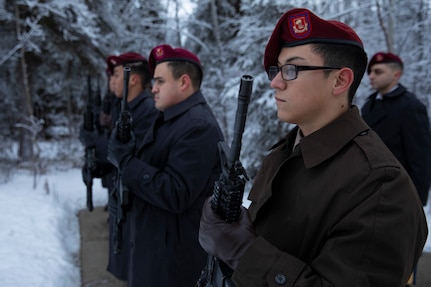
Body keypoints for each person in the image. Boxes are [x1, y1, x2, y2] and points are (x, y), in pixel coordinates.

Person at [198, 8, 428, 287]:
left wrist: (243, 252)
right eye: (276, 69)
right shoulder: (282, 154)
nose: (275, 82)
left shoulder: (380, 186)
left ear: (340, 80)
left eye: (292, 69)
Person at [107, 44, 224, 287]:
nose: (153, 88)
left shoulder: (197, 127)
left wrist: (126, 162)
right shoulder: (171, 118)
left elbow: (175, 192)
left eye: (160, 81)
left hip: (172, 263)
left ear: (183, 82)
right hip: (155, 250)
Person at [79, 51, 158, 284]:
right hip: (122, 199)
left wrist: (96, 142)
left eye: (115, 75)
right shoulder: (127, 107)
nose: (111, 81)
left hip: (135, 203)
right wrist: (97, 167)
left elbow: (130, 153)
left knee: (133, 266)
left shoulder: (147, 110)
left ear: (132, 78)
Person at [361, 52, 431, 206]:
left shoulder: (411, 106)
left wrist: (416, 200)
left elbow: (420, 157)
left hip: (398, 191)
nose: (371, 76)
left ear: (396, 75)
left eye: (378, 72)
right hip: (369, 189)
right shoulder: (369, 105)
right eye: (370, 72)